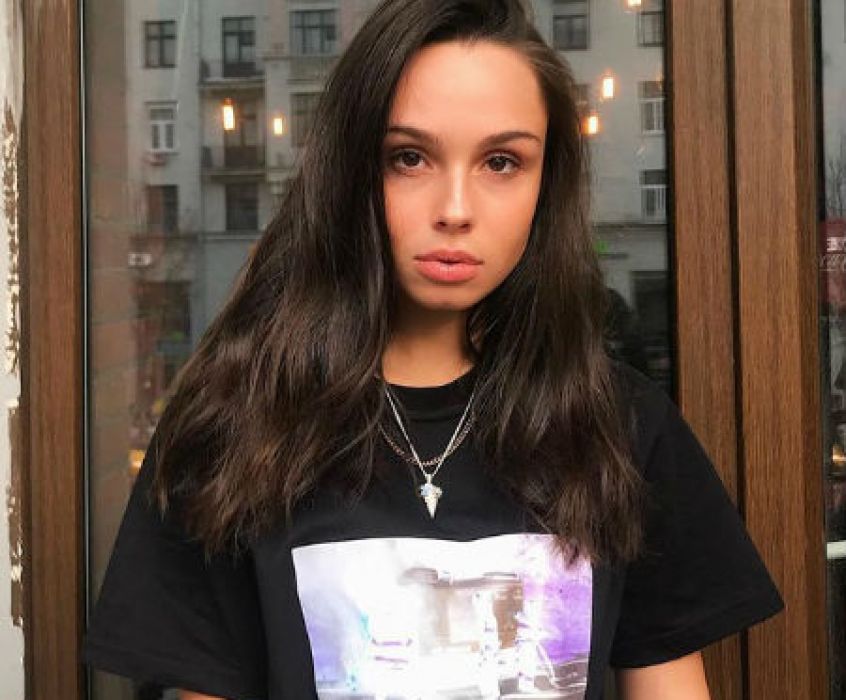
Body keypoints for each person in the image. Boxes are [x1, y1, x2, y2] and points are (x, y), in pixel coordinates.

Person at [82, 1, 784, 698]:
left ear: (546, 185)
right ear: (351, 171)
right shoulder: (235, 426)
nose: (455, 209)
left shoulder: (622, 429)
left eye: (502, 162)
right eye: (409, 158)